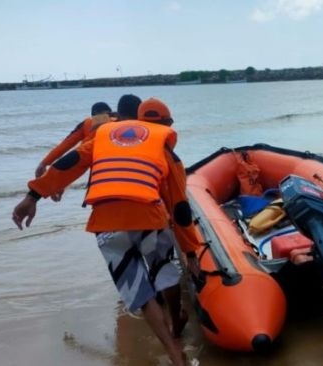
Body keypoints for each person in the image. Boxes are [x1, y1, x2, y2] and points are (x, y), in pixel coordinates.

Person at [12, 98, 199, 366]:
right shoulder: (168, 150)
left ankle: (172, 350)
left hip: (108, 220)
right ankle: (177, 320)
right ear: (166, 125)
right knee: (162, 265)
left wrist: (33, 195)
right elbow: (180, 206)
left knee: (138, 289)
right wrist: (190, 250)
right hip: (150, 214)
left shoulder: (101, 134)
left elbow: (71, 161)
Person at [35, 102, 113, 180]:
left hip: (97, 167)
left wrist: (44, 163)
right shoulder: (119, 122)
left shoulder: (87, 123)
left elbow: (67, 144)